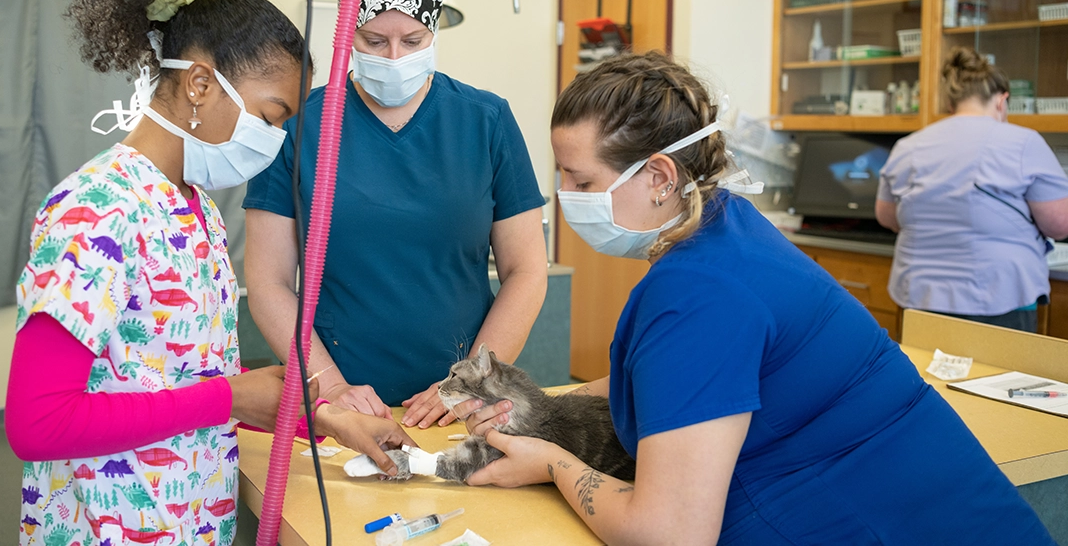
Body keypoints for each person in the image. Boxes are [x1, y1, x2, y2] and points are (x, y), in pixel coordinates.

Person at [452, 51, 1055, 545]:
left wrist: (553, 464)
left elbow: (669, 534)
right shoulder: (727, 224)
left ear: (660, 177)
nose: (564, 196)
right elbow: (694, 378)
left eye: (582, 181)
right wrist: (542, 405)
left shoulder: (697, 292)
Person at [4, 0, 413, 545]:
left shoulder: (194, 210)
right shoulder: (97, 210)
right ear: (199, 84)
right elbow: (37, 422)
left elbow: (176, 380)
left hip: (191, 520)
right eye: (272, 115)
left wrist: (326, 421)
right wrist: (228, 398)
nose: (275, 140)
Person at [243, 0, 548, 429]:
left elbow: (527, 270)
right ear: (346, 34)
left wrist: (471, 382)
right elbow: (267, 282)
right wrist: (330, 386)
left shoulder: (485, 121)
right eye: (373, 40)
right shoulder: (300, 124)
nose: (394, 57)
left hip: (465, 402)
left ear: (434, 32)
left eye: (412, 39)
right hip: (338, 403)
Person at [875, 47, 1068, 332]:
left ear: (951, 104)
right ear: (1002, 101)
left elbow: (887, 217)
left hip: (922, 297)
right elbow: (1059, 224)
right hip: (1001, 296)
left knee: (928, 374)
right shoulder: (1023, 142)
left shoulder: (909, 145)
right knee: (998, 377)